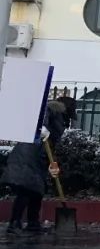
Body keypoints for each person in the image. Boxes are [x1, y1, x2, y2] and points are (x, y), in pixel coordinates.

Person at [4, 100, 69, 234]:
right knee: (26, 190)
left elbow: (52, 140)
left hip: (35, 156)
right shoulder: (50, 110)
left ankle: (33, 223)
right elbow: (42, 117)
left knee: (36, 191)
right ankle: (14, 224)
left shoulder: (58, 117)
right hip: (29, 156)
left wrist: (51, 163)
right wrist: (43, 127)